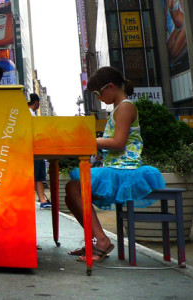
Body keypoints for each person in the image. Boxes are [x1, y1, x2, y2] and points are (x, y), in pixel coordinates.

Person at [65, 66, 165, 263]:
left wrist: (89, 141)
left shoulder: (126, 107)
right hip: (117, 168)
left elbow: (118, 143)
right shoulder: (119, 109)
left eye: (97, 93)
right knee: (71, 193)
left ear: (110, 87)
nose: (98, 98)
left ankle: (101, 240)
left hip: (125, 169)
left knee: (74, 187)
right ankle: (95, 239)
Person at [28, 93, 50, 209]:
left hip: (33, 149)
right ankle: (42, 199)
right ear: (36, 102)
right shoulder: (30, 114)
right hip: (34, 148)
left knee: (38, 175)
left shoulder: (28, 113)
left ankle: (43, 199)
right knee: (37, 174)